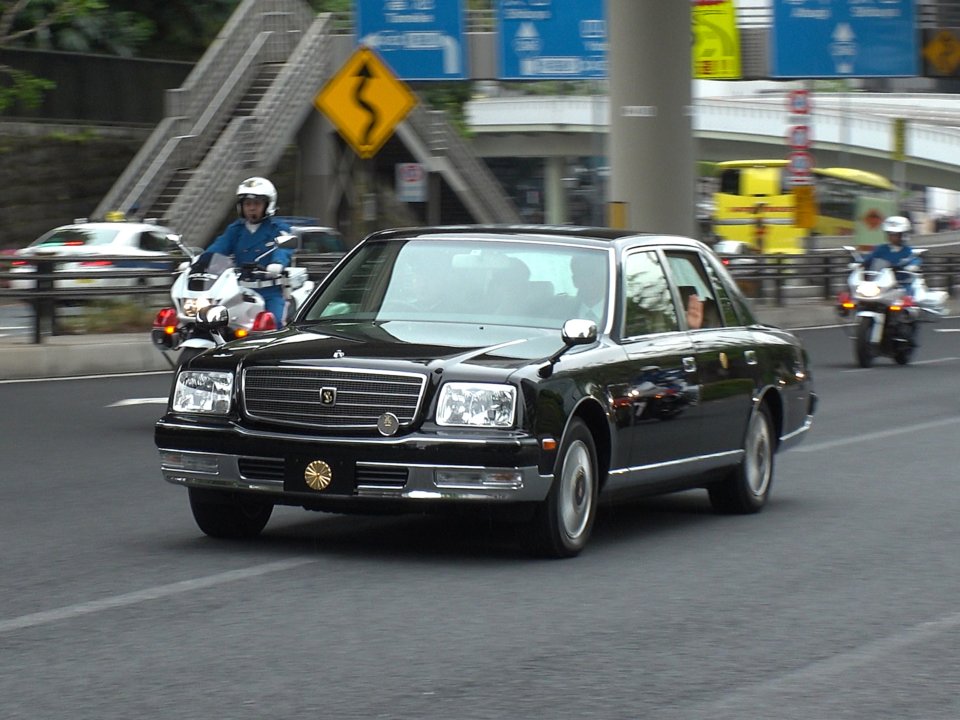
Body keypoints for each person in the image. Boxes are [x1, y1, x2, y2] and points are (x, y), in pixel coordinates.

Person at [202, 176, 293, 324]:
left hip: (269, 291)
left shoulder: (278, 228)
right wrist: (199, 262)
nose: (251, 208)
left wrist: (277, 263)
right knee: (220, 323)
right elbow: (218, 248)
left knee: (273, 325)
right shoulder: (235, 229)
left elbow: (284, 249)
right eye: (247, 203)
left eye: (256, 203)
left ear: (267, 205)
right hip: (239, 291)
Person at [862, 215, 922, 294]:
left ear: (903, 235)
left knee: (909, 296)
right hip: (878, 283)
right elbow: (869, 260)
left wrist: (912, 266)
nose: (892, 237)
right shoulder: (880, 249)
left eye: (896, 234)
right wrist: (859, 264)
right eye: (890, 234)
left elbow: (914, 259)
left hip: (900, 284)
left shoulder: (907, 250)